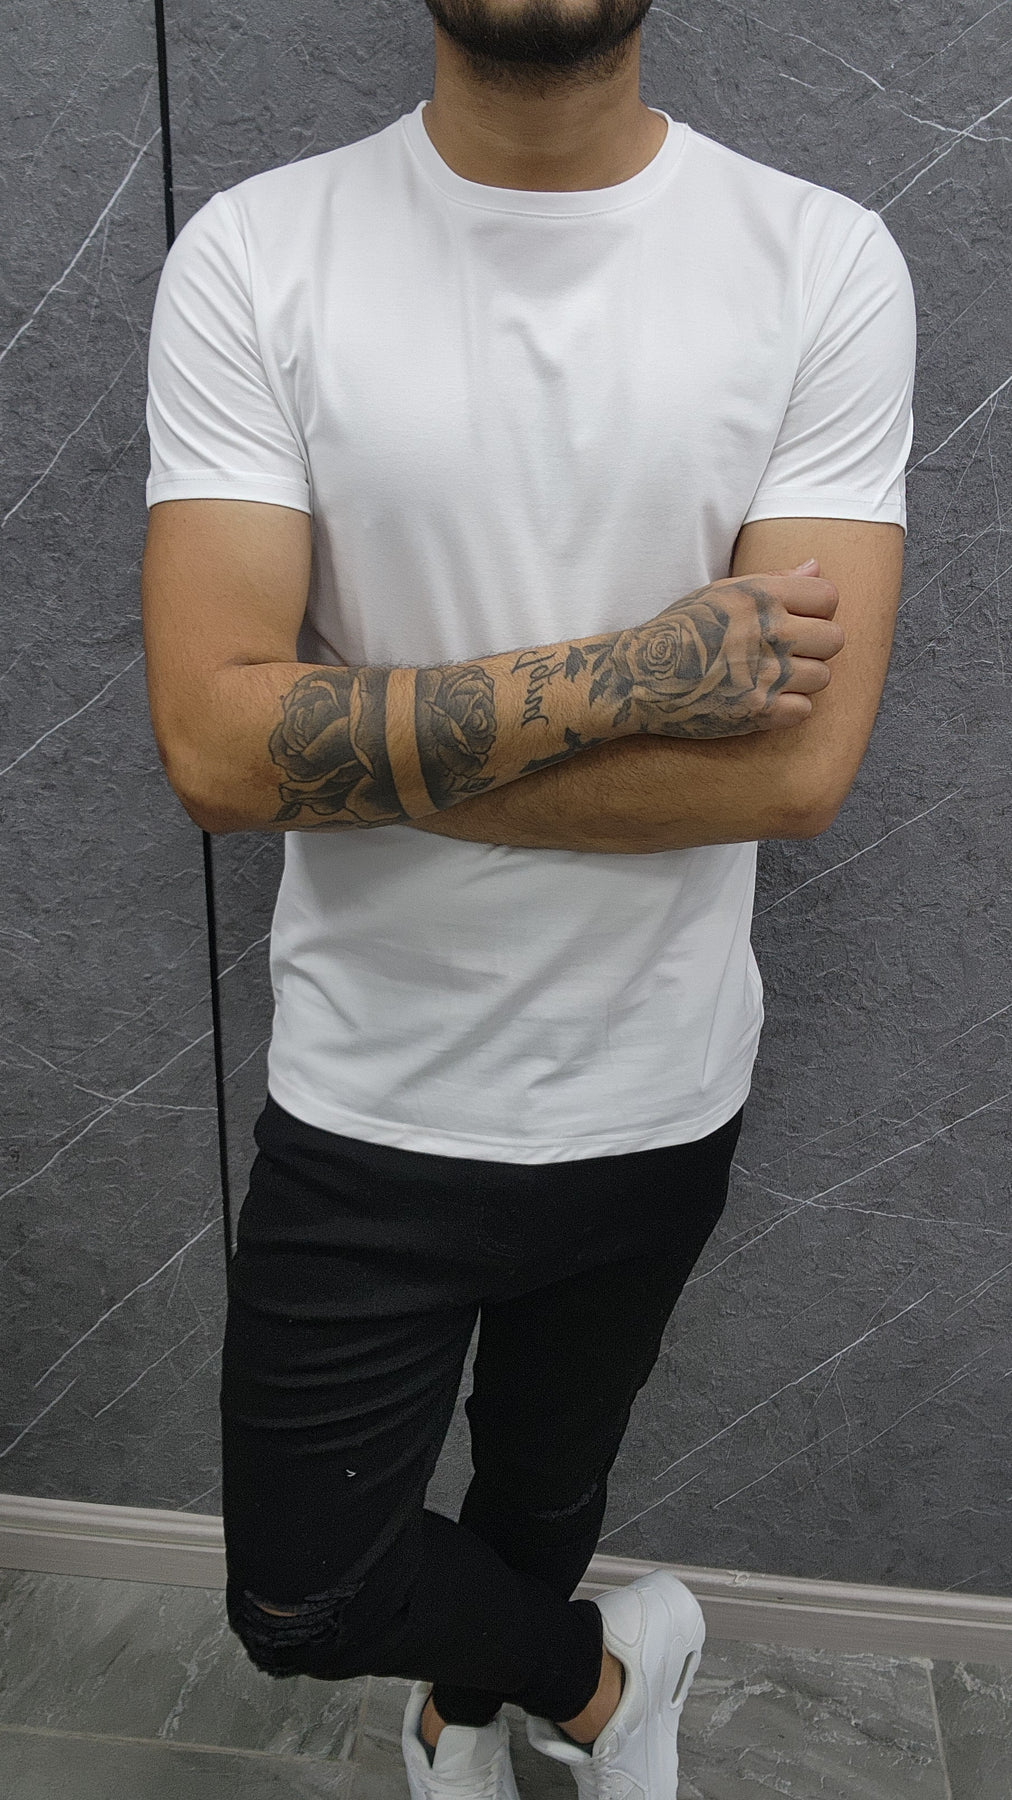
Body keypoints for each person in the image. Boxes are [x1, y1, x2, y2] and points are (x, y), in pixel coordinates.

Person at [140, 2, 916, 1795]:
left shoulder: (818, 262)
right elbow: (215, 751)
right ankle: (609, 1683)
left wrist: (361, 753)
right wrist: (643, 678)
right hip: (370, 1086)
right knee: (305, 1594)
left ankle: (464, 1717)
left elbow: (792, 776)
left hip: (657, 1083)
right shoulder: (259, 252)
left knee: (545, 1493)